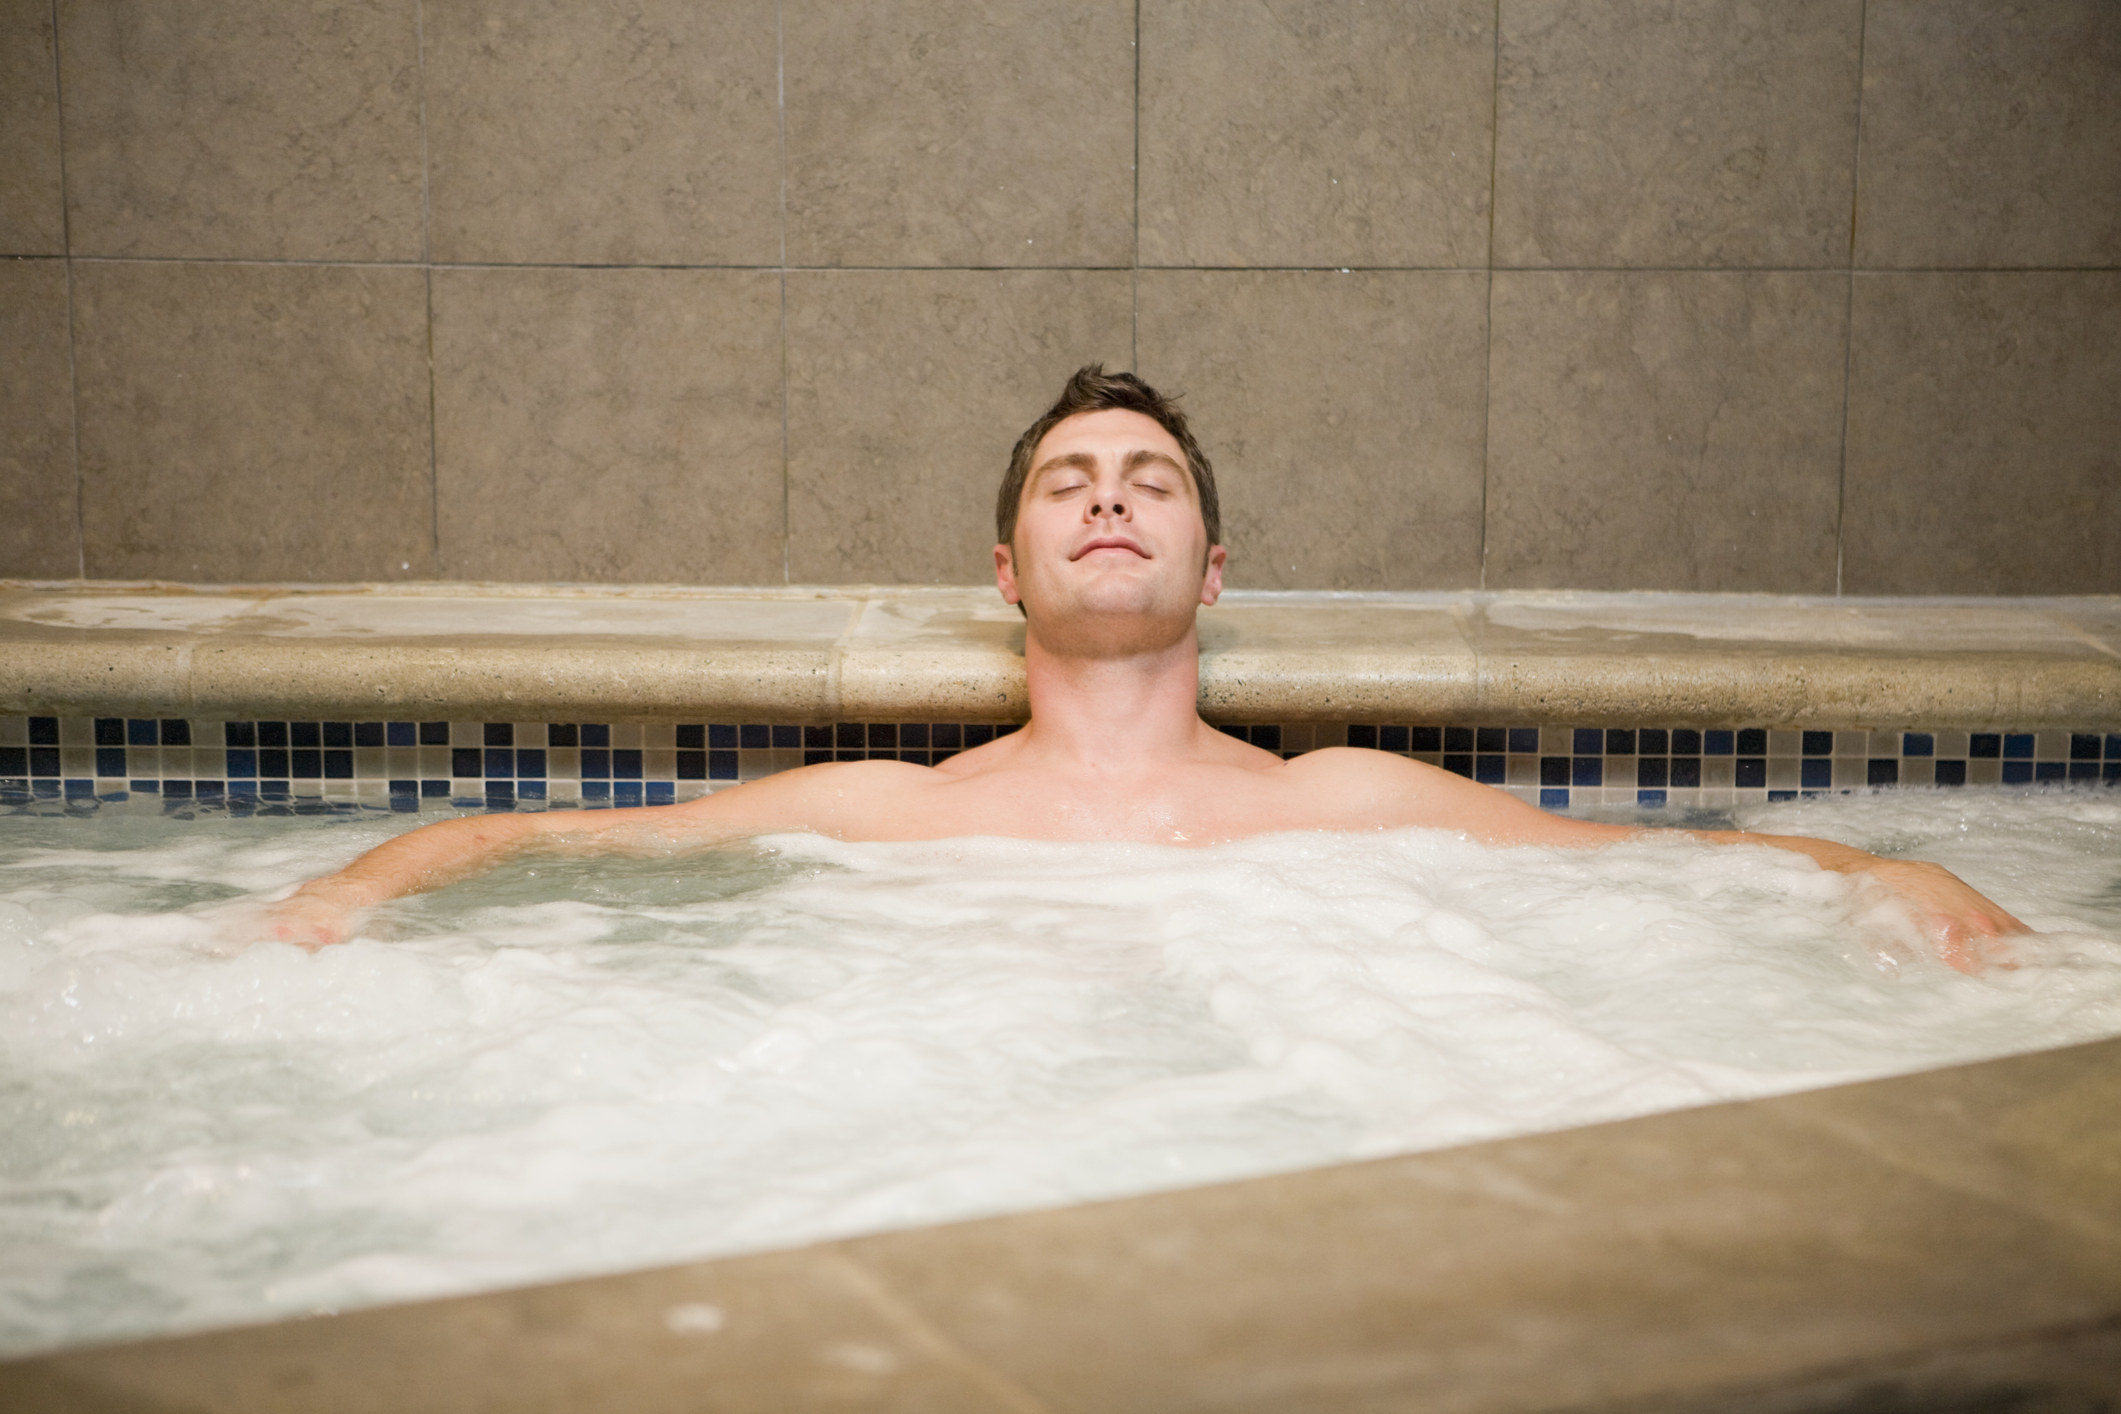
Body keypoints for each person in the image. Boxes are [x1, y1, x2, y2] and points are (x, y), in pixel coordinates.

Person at [267, 365, 2026, 969]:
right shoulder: (885, 811)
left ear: (1208, 562)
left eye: (1150, 481)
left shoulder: (1337, 802)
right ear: (1009, 565)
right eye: (1068, 483)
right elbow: (529, 840)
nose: (1110, 499)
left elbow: (1680, 871)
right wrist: (333, 897)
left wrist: (1891, 865)